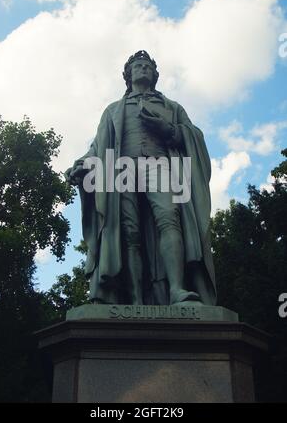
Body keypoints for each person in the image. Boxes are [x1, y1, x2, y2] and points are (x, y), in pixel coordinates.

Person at [66, 50, 216, 306]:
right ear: (128, 75)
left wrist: (168, 129)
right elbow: (98, 147)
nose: (143, 68)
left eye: (147, 66)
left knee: (170, 220)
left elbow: (193, 136)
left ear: (155, 75)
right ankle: (133, 299)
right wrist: (82, 164)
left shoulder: (172, 107)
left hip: (159, 166)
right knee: (128, 232)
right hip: (121, 170)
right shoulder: (113, 110)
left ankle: (177, 290)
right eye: (138, 65)